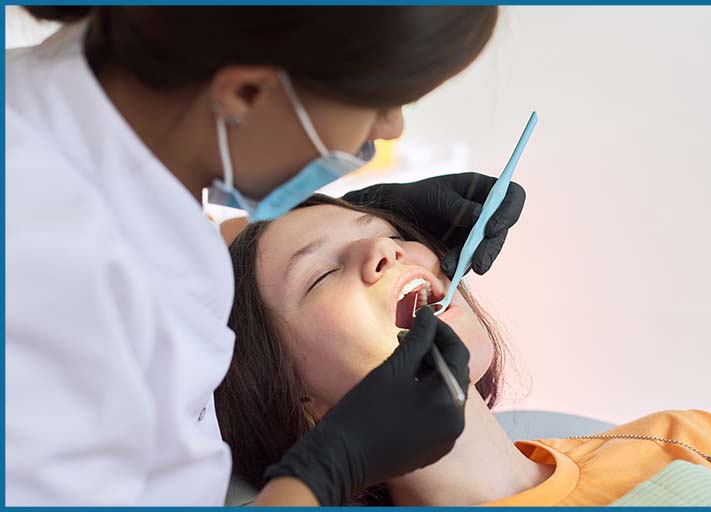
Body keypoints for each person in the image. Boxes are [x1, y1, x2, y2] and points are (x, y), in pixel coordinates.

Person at [6, 6, 528, 506]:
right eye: (381, 103)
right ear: (245, 91)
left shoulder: (102, 123)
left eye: (388, 231)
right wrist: (330, 468)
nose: (390, 129)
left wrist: (334, 223)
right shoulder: (49, 261)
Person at [217, 194, 711, 506]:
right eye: (321, 274)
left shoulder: (681, 437)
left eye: (386, 230)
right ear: (304, 409)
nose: (383, 248)